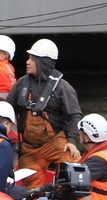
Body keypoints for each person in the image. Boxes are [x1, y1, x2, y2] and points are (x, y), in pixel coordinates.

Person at [8, 38, 82, 190]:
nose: (27, 62)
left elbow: (74, 116)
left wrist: (72, 142)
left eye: (32, 59)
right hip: (30, 148)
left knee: (72, 169)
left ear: (43, 63)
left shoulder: (63, 88)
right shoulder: (22, 84)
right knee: (30, 190)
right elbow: (8, 109)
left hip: (55, 143)